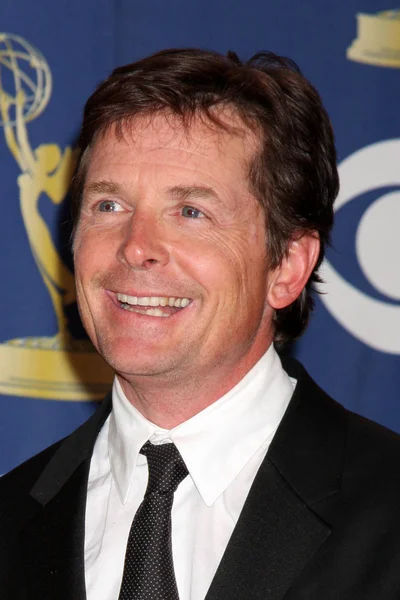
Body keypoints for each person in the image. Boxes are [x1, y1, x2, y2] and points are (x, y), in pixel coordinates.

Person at [1, 48, 400, 600]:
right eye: (109, 205)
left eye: (191, 212)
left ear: (286, 266)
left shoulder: (387, 507)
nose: (136, 247)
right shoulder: (10, 517)